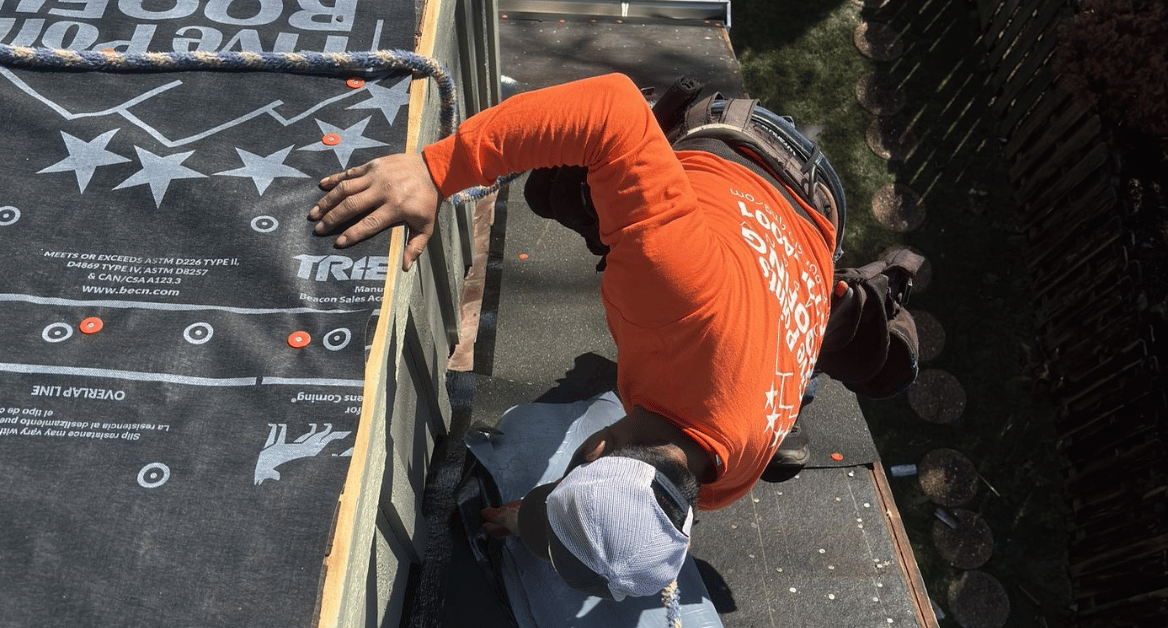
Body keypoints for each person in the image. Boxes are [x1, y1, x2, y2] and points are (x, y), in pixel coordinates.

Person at [307, 73, 840, 601]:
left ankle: (811, 372)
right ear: (597, 444)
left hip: (812, 242)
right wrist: (435, 170)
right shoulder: (671, 284)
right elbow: (611, 108)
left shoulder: (722, 480)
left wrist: (530, 523)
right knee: (552, 189)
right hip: (758, 153)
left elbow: (616, 530)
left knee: (770, 345)